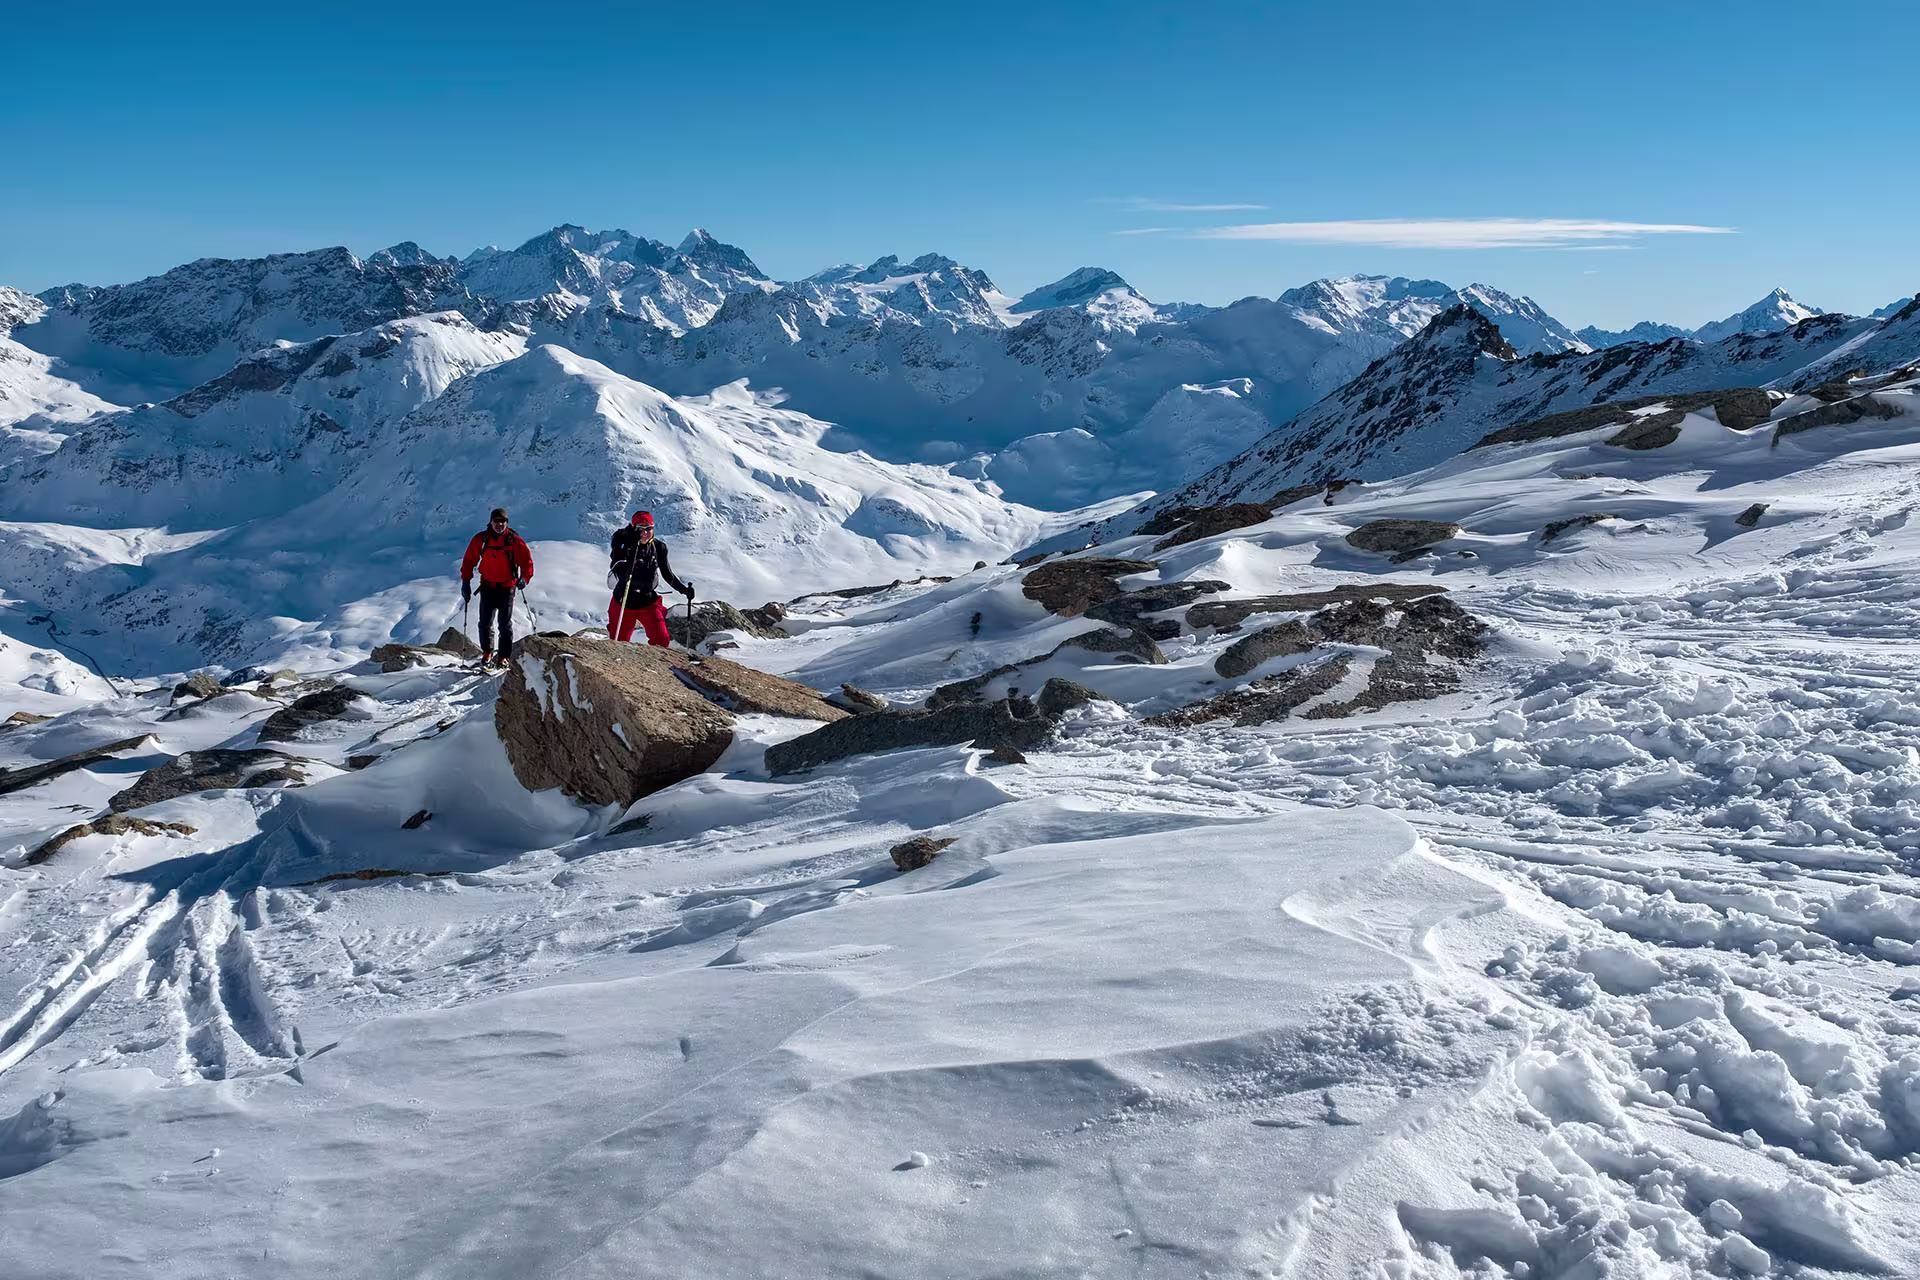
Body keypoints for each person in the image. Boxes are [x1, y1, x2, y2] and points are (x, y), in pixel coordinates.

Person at [460, 508, 534, 668]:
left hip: (507, 586)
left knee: (504, 624)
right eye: (496, 521)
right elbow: (469, 560)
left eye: (503, 521)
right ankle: (487, 654)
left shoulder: (514, 541)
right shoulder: (481, 539)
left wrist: (524, 579)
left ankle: (503, 657)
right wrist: (466, 582)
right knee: (484, 623)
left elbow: (527, 562)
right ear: (491, 522)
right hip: (487, 586)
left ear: (507, 522)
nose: (500, 524)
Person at [607, 510, 692, 646]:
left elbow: (667, 573)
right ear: (634, 528)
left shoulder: (658, 547)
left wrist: (684, 590)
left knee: (661, 641)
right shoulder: (622, 542)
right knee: (618, 643)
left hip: (648, 601)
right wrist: (631, 548)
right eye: (641, 528)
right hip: (623, 601)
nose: (646, 532)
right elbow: (616, 565)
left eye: (649, 528)